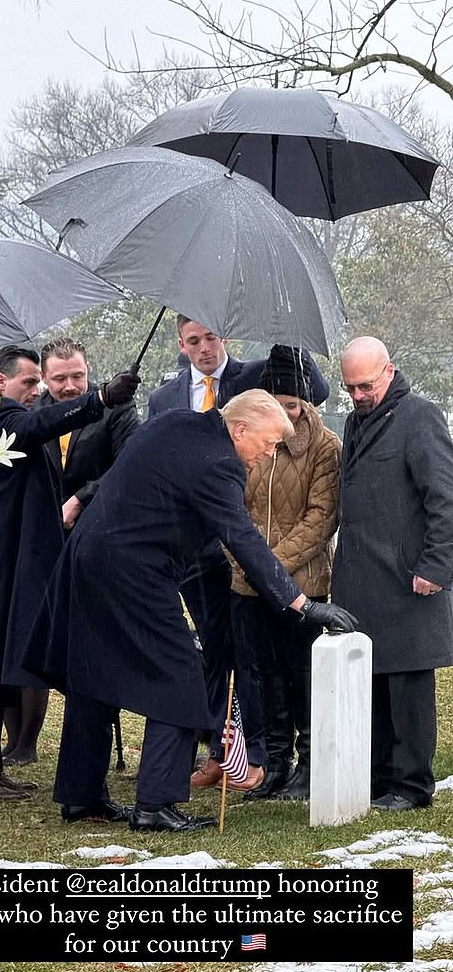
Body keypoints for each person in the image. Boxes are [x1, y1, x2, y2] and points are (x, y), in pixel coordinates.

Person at [24, 389, 357, 832]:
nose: (268, 453)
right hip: (134, 573)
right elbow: (244, 540)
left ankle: (81, 796)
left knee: (94, 674)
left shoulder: (173, 422)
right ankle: (156, 804)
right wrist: (302, 605)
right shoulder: (220, 465)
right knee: (182, 676)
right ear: (240, 429)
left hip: (86, 555)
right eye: (268, 442)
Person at [0, 345, 139, 800]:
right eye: (30, 382)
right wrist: (99, 398)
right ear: (1, 382)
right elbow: (40, 424)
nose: (37, 390)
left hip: (8, 560)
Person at [147, 315, 330, 757]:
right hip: (201, 547)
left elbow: (314, 391)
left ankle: (251, 751)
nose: (204, 348)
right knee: (217, 648)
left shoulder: (252, 378)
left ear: (224, 334)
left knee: (262, 656)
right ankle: (222, 748)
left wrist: (288, 334)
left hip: (246, 547)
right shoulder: (163, 398)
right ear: (181, 343)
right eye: (194, 340)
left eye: (211, 337)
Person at [2, 336, 140, 767]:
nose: (69, 387)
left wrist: (83, 498)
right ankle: (21, 742)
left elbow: (130, 465)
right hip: (38, 541)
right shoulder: (30, 413)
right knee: (27, 631)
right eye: (59, 378)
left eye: (77, 376)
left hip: (95, 538)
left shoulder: (115, 408)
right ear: (43, 378)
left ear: (88, 369)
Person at [331, 336, 453, 811]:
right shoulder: (355, 422)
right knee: (375, 683)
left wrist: (436, 565)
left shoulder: (419, 416)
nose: (358, 396)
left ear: (389, 371)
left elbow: (444, 497)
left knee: (407, 687)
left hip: (410, 579)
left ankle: (412, 785)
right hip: (364, 580)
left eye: (365, 386)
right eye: (350, 389)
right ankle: (382, 778)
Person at [215, 344, 341, 801]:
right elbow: (230, 509)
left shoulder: (325, 447)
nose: (284, 412)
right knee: (261, 673)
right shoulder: (245, 442)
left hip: (301, 582)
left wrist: (269, 571)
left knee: (300, 673)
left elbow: (320, 518)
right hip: (246, 582)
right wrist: (247, 566)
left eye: (291, 404)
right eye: (275, 403)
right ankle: (273, 761)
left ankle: (308, 765)